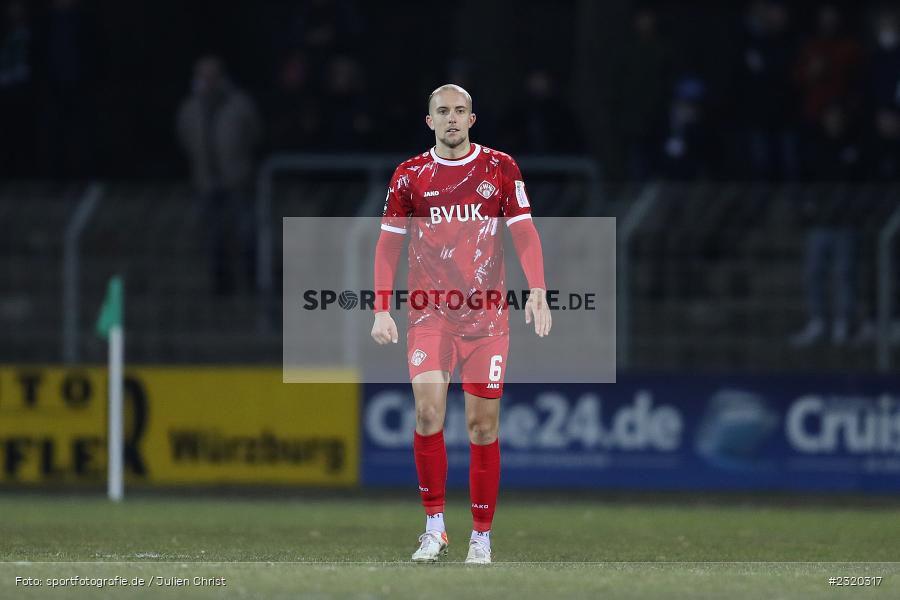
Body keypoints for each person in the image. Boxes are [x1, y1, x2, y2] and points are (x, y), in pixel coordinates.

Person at [370, 84, 551, 564]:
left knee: (481, 427)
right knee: (428, 412)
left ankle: (481, 536)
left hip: (487, 317)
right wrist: (381, 308)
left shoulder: (500, 168)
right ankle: (434, 527)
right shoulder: (409, 176)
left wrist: (537, 290)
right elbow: (388, 243)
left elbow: (525, 232)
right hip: (430, 313)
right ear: (429, 121)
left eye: (460, 111)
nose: (452, 118)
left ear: (473, 118)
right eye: (442, 111)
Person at [176, 56, 262, 295]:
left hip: (237, 180)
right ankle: (222, 287)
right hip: (207, 183)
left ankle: (252, 282)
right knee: (214, 237)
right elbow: (186, 138)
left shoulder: (239, 105)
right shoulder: (190, 108)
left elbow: (253, 134)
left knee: (246, 234)